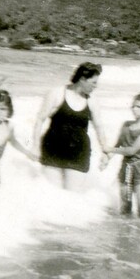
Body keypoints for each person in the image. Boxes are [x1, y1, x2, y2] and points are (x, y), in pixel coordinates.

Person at [33, 62, 108, 190]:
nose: (96, 86)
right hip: (53, 151)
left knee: (72, 196)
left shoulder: (92, 101)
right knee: (51, 194)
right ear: (82, 79)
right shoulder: (57, 93)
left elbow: (99, 127)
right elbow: (40, 120)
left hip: (78, 154)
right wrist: (35, 146)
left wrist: (105, 152)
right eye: (93, 82)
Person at [104, 93, 140, 217]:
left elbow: (132, 150)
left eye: (139, 107)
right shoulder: (126, 125)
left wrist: (109, 149)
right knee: (125, 210)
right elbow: (118, 144)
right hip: (126, 169)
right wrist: (107, 158)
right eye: (133, 106)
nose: (134, 109)